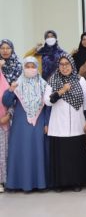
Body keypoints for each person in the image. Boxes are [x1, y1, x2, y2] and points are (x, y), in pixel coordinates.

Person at [44, 54, 86, 192]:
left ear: (72, 65)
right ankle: (59, 183)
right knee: (60, 156)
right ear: (58, 66)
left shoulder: (80, 80)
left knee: (75, 154)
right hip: (58, 125)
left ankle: (76, 182)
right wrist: (61, 91)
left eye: (67, 64)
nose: (64, 67)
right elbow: (47, 101)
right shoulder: (52, 80)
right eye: (62, 64)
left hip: (77, 124)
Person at [3, 58, 50, 192]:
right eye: (27, 66)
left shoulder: (43, 84)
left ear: (37, 68)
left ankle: (40, 183)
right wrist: (11, 90)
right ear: (23, 67)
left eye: (33, 66)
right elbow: (6, 102)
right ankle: (18, 183)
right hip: (20, 123)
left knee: (38, 149)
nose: (30, 69)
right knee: (21, 150)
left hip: (39, 121)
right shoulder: (17, 83)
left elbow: (47, 107)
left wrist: (46, 123)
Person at [0, 71, 8, 191]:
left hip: (4, 122)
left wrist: (9, 115)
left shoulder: (5, 84)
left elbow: (11, 102)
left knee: (3, 153)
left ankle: (2, 181)